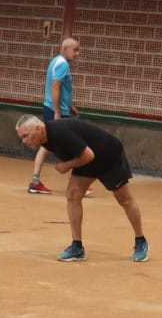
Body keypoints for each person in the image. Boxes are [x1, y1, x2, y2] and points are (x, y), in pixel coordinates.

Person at [15, 114, 148, 263]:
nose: (24, 141)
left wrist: (66, 166)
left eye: (26, 136)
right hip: (87, 160)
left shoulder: (59, 132)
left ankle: (141, 241)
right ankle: (77, 247)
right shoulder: (44, 139)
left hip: (107, 156)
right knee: (73, 195)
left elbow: (88, 155)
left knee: (124, 200)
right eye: (21, 138)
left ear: (39, 129)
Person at [28, 37, 80, 195]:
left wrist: (69, 105)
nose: (77, 53)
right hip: (57, 111)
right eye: (75, 50)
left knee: (49, 145)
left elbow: (60, 88)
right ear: (65, 49)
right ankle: (78, 184)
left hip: (54, 108)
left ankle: (35, 181)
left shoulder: (55, 61)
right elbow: (55, 87)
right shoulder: (63, 64)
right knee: (73, 145)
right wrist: (58, 111)